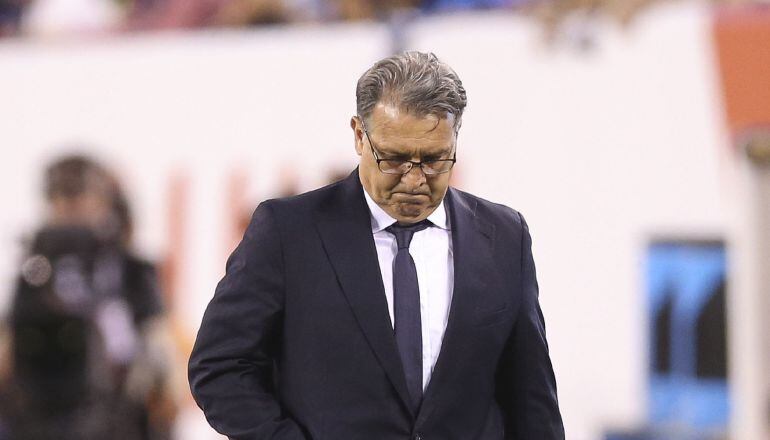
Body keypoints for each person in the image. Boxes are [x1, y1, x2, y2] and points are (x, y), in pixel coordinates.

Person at [189, 51, 564, 439]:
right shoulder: (289, 233)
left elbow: (532, 397)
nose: (416, 180)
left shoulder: (504, 236)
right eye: (395, 160)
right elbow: (220, 366)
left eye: (435, 160)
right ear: (358, 135)